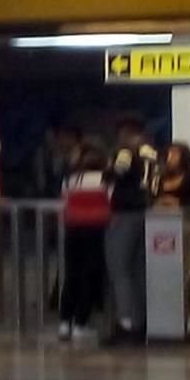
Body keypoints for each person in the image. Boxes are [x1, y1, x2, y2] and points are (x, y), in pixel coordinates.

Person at [104, 117, 159, 342]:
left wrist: (112, 165)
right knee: (137, 269)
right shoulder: (151, 155)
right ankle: (141, 322)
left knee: (119, 267)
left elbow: (112, 176)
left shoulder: (126, 154)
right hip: (144, 213)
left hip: (124, 214)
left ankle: (126, 323)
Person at [59, 146, 110, 342]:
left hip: (72, 229)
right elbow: (112, 202)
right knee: (90, 276)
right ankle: (80, 323)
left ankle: (64, 323)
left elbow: (64, 201)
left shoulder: (71, 179)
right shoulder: (105, 179)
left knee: (72, 275)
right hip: (96, 229)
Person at [157, 143, 190, 208]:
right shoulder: (160, 174)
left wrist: (180, 202)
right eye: (169, 154)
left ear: (183, 157)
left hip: (182, 215)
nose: (170, 158)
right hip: (157, 214)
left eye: (174, 155)